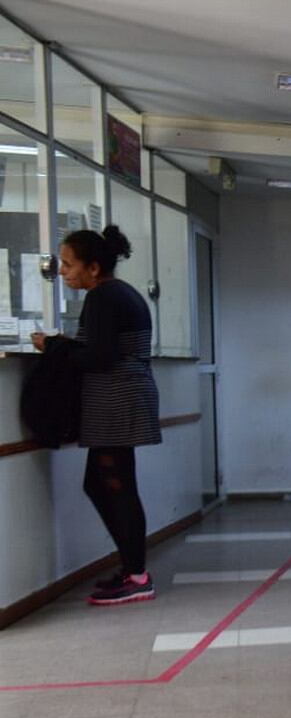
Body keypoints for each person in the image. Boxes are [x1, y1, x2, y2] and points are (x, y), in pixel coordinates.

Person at [31, 226, 161, 606]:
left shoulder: (104, 297)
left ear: (93, 267)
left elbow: (100, 357)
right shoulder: (117, 294)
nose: (64, 272)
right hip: (120, 398)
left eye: (69, 265)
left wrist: (53, 345)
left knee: (116, 487)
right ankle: (132, 568)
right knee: (100, 484)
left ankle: (138, 575)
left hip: (117, 401)